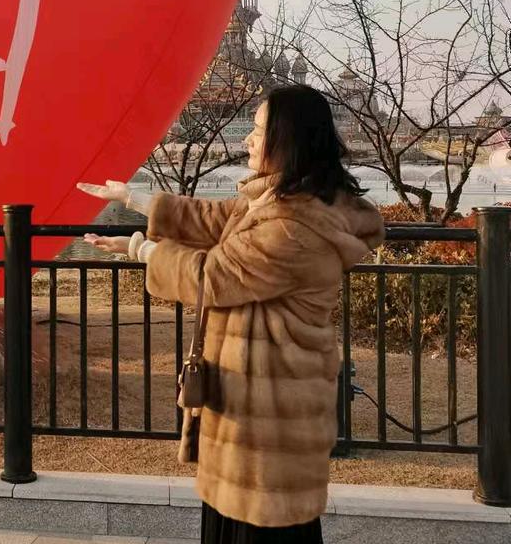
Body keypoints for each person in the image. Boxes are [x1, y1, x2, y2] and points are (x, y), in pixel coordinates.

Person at [79, 85, 384, 543]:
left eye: (258, 130)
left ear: (287, 140)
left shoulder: (291, 228)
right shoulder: (287, 202)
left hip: (267, 418)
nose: (248, 139)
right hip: (256, 407)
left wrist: (142, 248)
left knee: (261, 527)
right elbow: (216, 217)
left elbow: (212, 275)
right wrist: (135, 200)